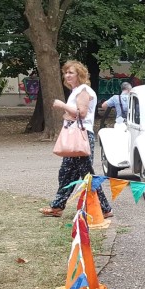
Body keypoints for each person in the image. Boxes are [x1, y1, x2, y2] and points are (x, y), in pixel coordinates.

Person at [40, 60, 113, 219]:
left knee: (87, 175)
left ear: (80, 75)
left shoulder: (84, 90)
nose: (67, 75)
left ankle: (105, 209)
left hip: (82, 137)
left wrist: (62, 106)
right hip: (75, 136)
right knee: (66, 173)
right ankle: (57, 207)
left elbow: (81, 113)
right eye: (65, 73)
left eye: (71, 72)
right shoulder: (77, 91)